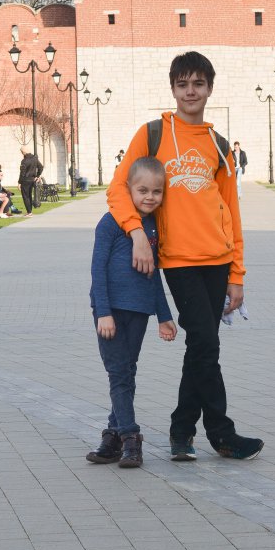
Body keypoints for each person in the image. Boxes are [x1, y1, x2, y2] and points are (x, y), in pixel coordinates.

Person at [108, 50, 263, 462]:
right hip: (178, 261)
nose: (190, 91)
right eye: (183, 85)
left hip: (218, 260)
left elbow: (232, 211)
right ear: (173, 89)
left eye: (198, 84)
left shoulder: (219, 145)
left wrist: (237, 274)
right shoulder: (153, 134)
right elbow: (118, 189)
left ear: (209, 88)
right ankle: (222, 434)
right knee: (205, 345)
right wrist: (137, 235)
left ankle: (182, 432)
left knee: (202, 347)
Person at [87, 156, 177, 468]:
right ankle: (130, 436)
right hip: (110, 312)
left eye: (157, 191)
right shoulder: (111, 222)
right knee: (118, 372)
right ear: (128, 190)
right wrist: (103, 312)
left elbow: (154, 275)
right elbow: (97, 270)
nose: (150, 197)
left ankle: (112, 437)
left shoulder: (153, 228)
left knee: (126, 371)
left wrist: (164, 315)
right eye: (143, 190)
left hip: (138, 311)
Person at [18, 146, 43, 216]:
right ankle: (29, 212)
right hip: (32, 179)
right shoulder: (35, 158)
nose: (21, 153)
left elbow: (22, 173)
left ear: (23, 152)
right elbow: (41, 167)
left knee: (26, 196)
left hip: (25, 180)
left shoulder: (24, 161)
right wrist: (37, 176)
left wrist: (19, 182)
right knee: (29, 195)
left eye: (21, 152)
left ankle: (29, 212)